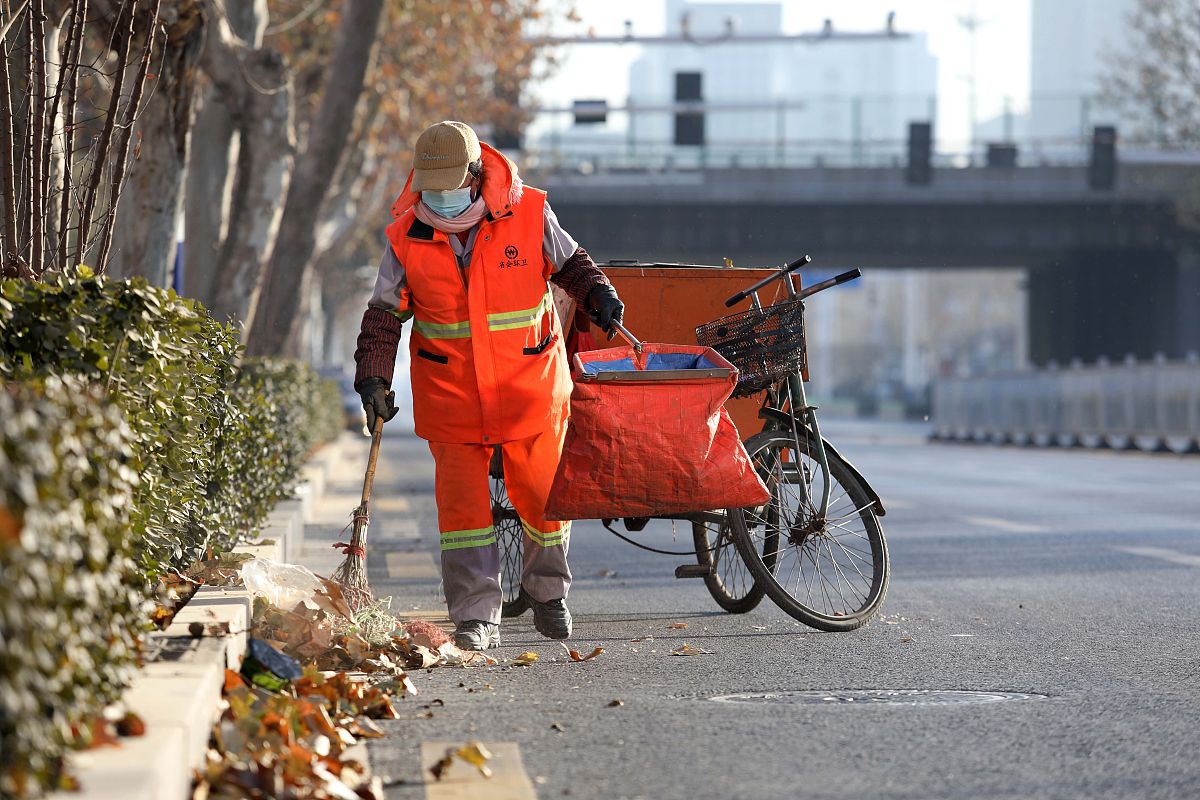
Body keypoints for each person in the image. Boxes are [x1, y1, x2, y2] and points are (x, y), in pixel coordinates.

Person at [353, 121, 625, 651]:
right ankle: (475, 614)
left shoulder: (528, 213)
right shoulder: (407, 236)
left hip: (531, 385)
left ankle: (548, 593)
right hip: (450, 392)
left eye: (452, 186)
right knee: (464, 515)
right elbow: (384, 314)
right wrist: (373, 377)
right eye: (433, 188)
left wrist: (599, 294)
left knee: (543, 498)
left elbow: (571, 264)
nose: (442, 199)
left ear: (476, 176)